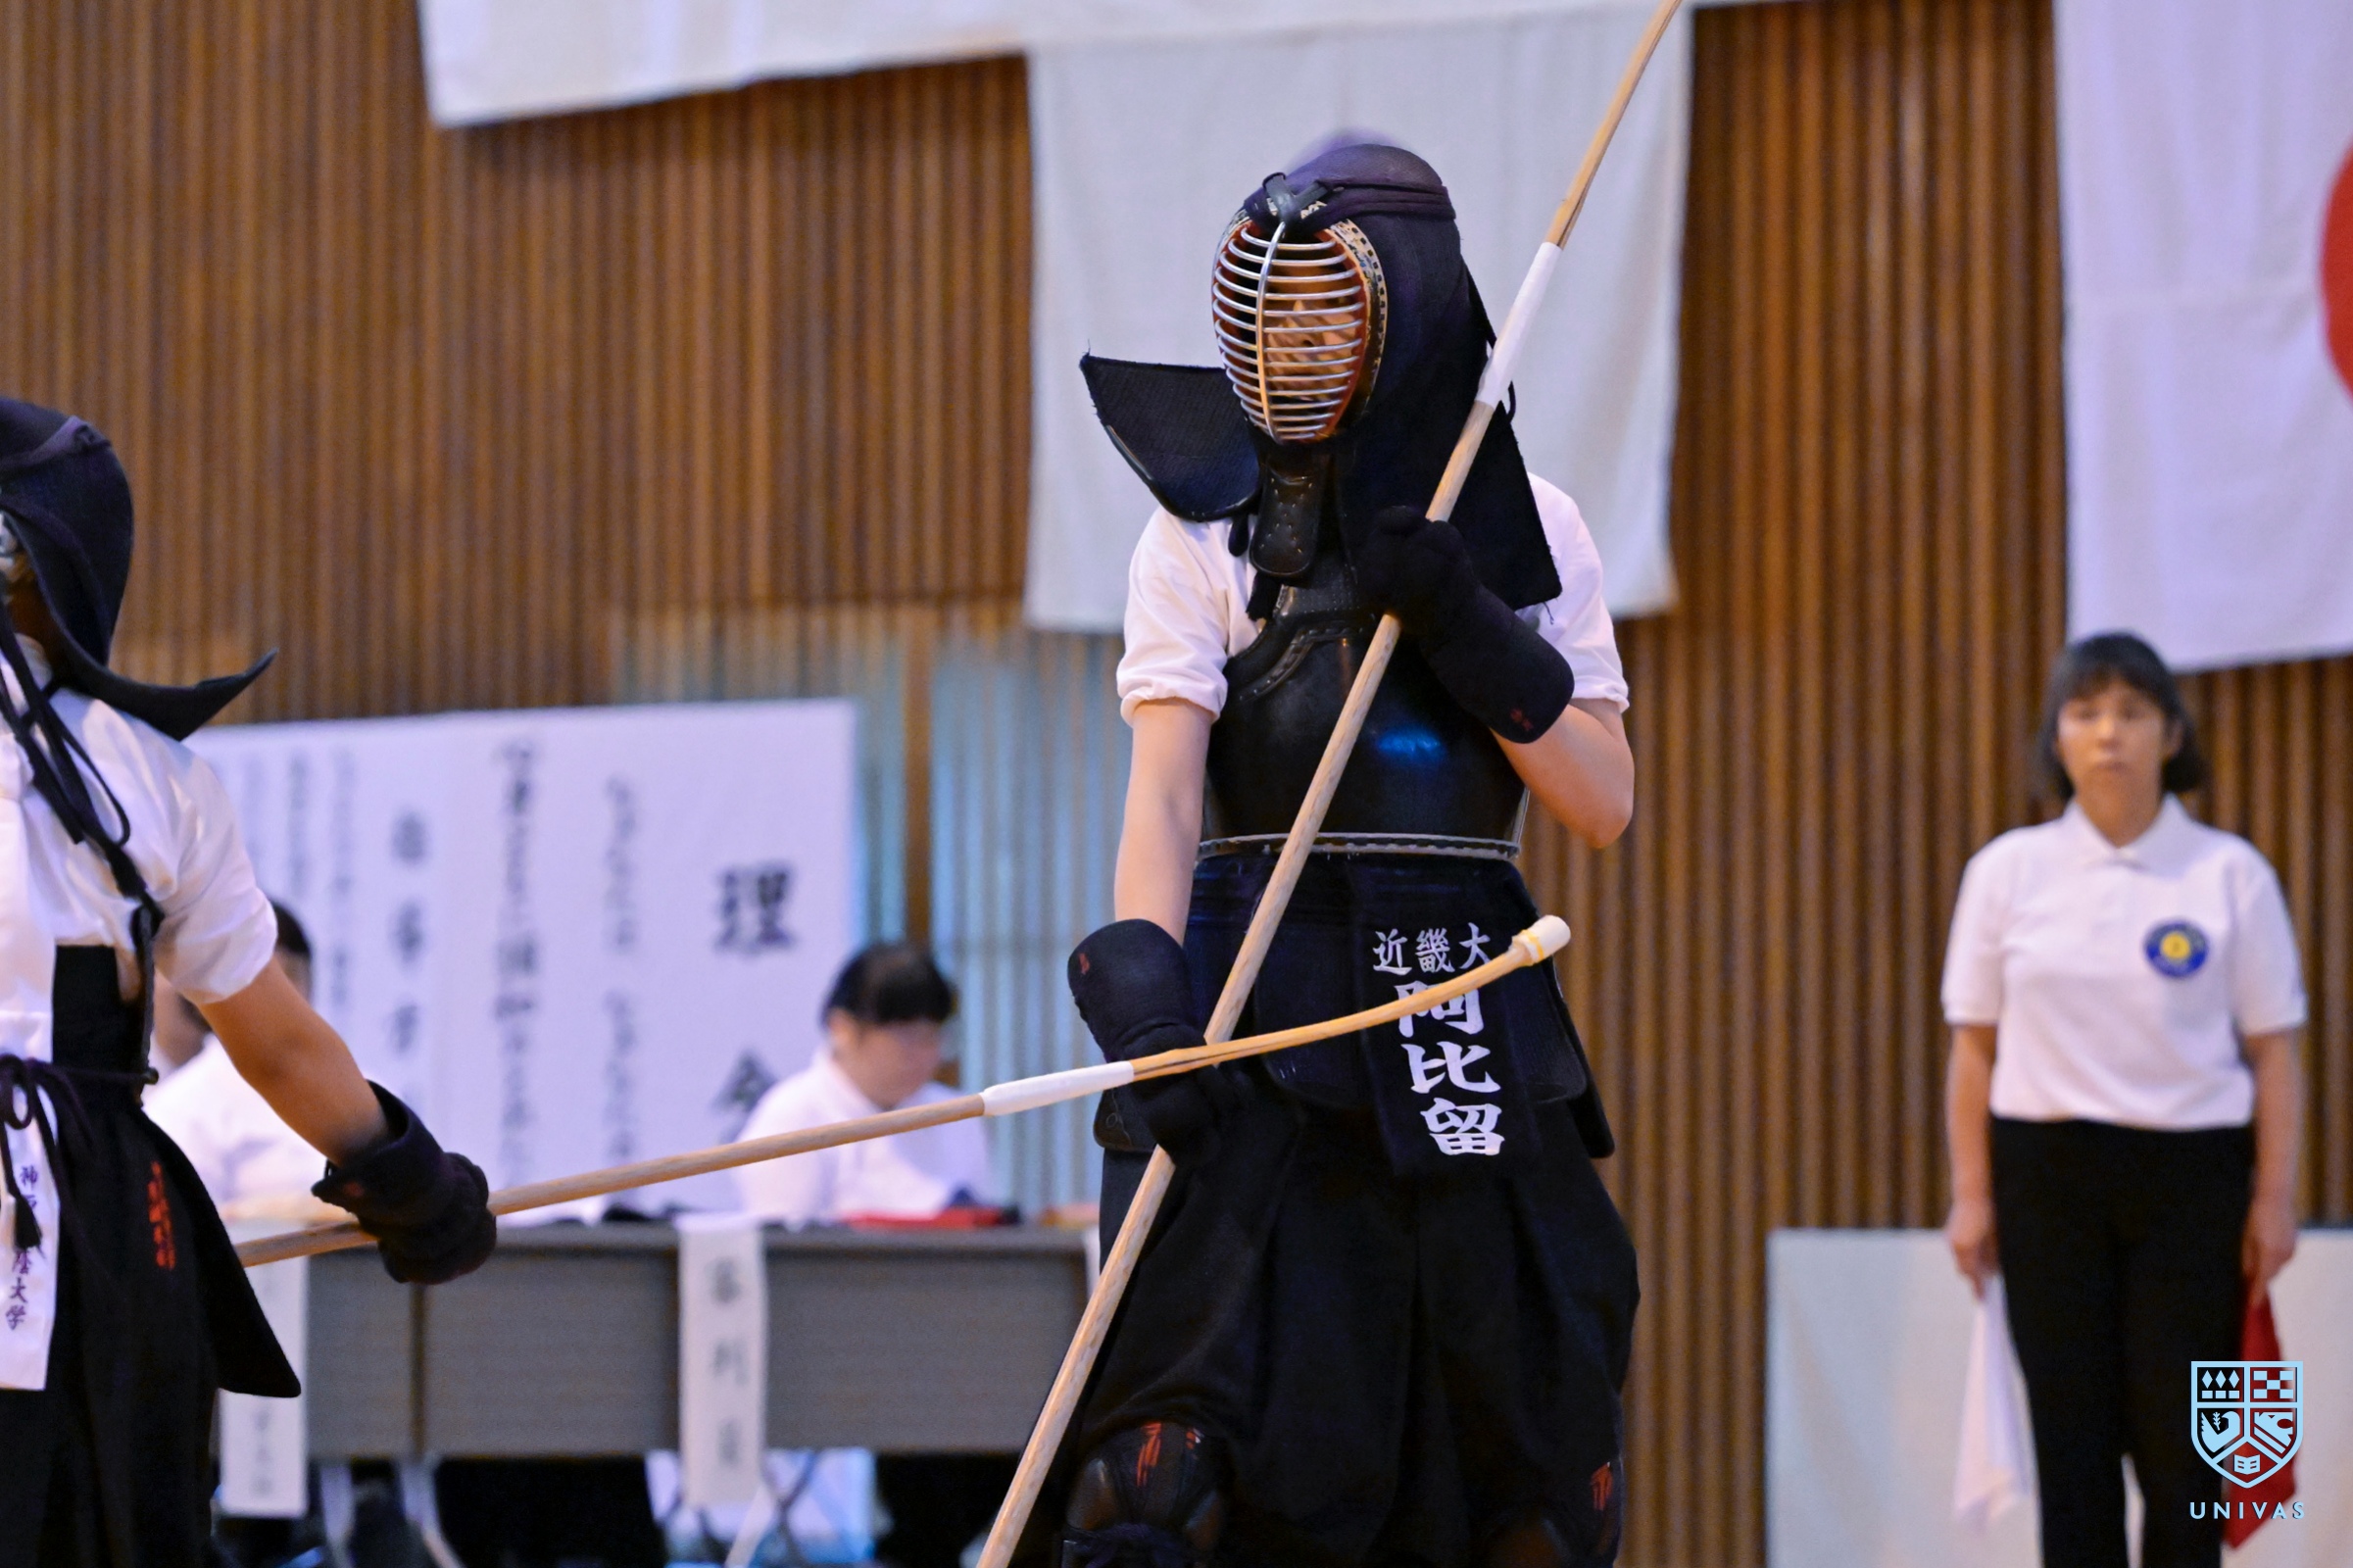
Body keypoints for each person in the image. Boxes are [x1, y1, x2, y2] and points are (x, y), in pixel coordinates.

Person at [1036, 142, 1640, 1568]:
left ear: (1409, 312)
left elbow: (1603, 800)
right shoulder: (1198, 526)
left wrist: (1467, 619)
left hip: (1462, 1006)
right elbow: (1165, 796)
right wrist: (1152, 1008)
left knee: (1528, 1483)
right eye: (1271, 312)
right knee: (1166, 1479)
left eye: (1327, 309)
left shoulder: (1532, 523)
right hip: (1259, 995)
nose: (1290, 341)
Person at [0, 397, 496, 1568]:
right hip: (81, 1229)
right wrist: (416, 1189)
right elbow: (272, 1041)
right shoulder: (145, 776)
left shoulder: (135, 773)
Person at [1940, 632, 2305, 1568]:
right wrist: (1971, 1195)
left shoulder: (2230, 874)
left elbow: (2273, 1053)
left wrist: (2272, 1199)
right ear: (2055, 738)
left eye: (2133, 712)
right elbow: (1973, 1047)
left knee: (2190, 1465)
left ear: (2172, 735)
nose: (2109, 734)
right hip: (2044, 1181)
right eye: (2085, 712)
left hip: (2196, 1184)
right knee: (2072, 1455)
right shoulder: (2005, 871)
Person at [733, 942, 1009, 1568]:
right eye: (905, 1036)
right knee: (939, 1409)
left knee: (1026, 1399)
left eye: (934, 1036)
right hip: (831, 1346)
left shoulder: (954, 1115)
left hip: (951, 1341)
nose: (924, 1054)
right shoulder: (791, 1116)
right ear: (843, 1028)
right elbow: (777, 1261)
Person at [145, 901, 327, 1213]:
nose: (283, 998)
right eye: (265, 979)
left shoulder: (365, 1086)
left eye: (293, 977)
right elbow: (190, 1226)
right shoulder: (180, 1106)